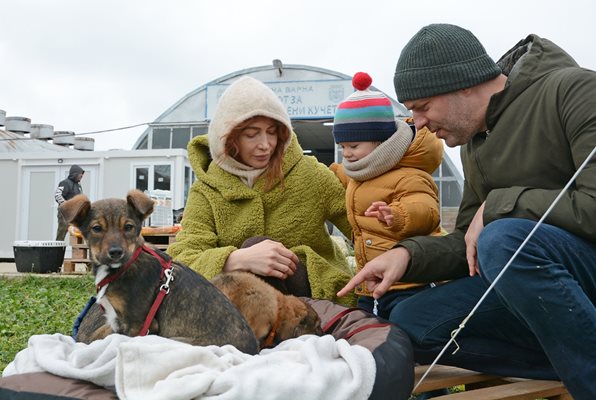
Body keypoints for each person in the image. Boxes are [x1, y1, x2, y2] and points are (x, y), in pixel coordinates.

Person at [338, 24, 596, 399]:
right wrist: (406, 256)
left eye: (423, 107)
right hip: (529, 287)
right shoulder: (474, 142)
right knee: (410, 321)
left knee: (504, 238)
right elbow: (469, 245)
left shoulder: (575, 91)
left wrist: (500, 204)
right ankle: (568, 357)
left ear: (463, 83)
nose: (419, 123)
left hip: (581, 272)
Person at [168, 76, 356, 306]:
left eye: (272, 132)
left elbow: (360, 227)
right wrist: (236, 259)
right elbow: (182, 258)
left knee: (254, 243)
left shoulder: (309, 174)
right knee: (251, 248)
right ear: (228, 138)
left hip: (316, 299)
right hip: (243, 307)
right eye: (251, 134)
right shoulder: (207, 190)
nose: (266, 144)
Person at [330, 71, 444, 318]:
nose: (347, 153)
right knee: (363, 332)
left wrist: (398, 215)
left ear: (380, 142)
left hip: (409, 284)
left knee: (401, 331)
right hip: (369, 286)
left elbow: (426, 210)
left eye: (354, 146)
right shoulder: (358, 173)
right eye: (343, 147)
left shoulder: (409, 175)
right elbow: (338, 175)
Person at [54, 164, 84, 241]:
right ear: (75, 174)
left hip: (76, 214)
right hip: (64, 214)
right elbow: (58, 195)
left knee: (76, 233)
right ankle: (57, 251)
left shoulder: (78, 185)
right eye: (80, 174)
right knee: (61, 233)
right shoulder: (64, 183)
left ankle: (76, 251)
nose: (81, 176)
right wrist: (67, 205)